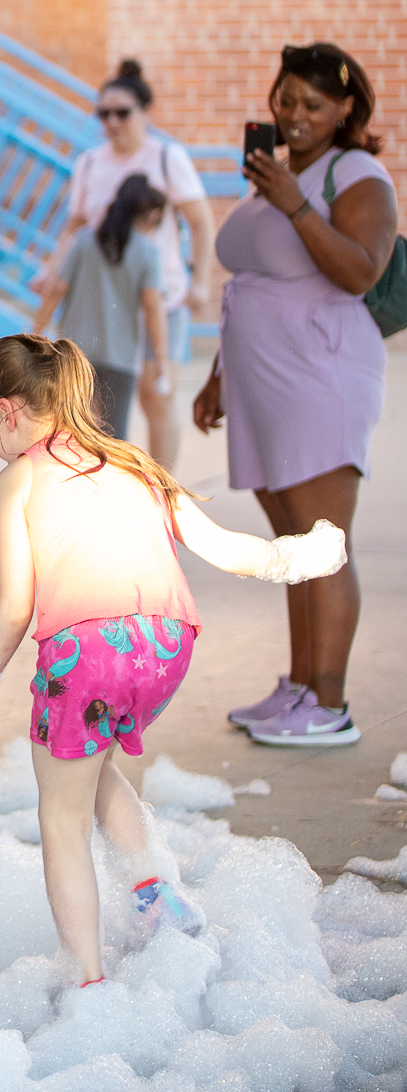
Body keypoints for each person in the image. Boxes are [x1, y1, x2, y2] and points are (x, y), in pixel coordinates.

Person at [0, 334, 345, 987]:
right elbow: (224, 547)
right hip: (164, 647)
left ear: (9, 410)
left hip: (86, 654)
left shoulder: (15, 479)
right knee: (91, 761)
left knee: (60, 817)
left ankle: (88, 982)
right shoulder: (131, 460)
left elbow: (16, 605)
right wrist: (295, 556)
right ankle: (154, 894)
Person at [196, 42, 398, 747]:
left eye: (314, 104)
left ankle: (331, 704)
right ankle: (300, 686)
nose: (296, 114)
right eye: (286, 99)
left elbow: (361, 270)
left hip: (323, 375)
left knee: (323, 543)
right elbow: (255, 279)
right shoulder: (276, 173)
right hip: (262, 381)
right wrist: (220, 375)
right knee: (290, 541)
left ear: (347, 109)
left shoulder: (357, 174)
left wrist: (295, 206)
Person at [42, 61, 214, 469]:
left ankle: (162, 493)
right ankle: (108, 489)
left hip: (161, 296)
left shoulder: (167, 157)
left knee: (158, 394)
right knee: (102, 401)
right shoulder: (89, 164)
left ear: (145, 112)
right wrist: (53, 269)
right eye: (104, 114)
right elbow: (75, 226)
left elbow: (201, 220)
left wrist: (201, 279)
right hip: (107, 306)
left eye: (123, 112)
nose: (113, 122)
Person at [30, 174, 171, 437]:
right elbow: (154, 307)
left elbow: (56, 289)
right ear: (152, 215)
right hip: (120, 356)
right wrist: (161, 359)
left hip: (74, 353)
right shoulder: (148, 252)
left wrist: (35, 333)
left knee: (72, 431)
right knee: (113, 435)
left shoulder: (84, 240)